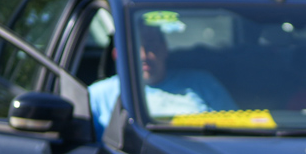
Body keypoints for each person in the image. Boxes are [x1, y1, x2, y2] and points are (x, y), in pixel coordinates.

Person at [89, 24, 236, 133]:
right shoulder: (98, 95)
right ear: (117, 55)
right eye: (135, 47)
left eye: (151, 46)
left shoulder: (202, 84)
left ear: (165, 49)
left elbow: (233, 131)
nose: (144, 56)